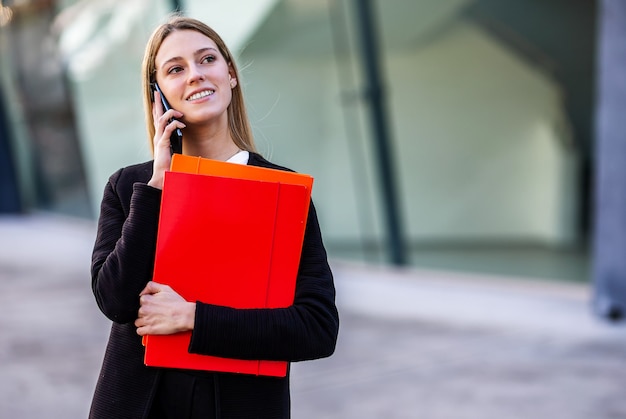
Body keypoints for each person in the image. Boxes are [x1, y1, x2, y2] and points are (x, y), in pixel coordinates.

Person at [89, 15, 339, 419]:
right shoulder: (131, 187)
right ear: (159, 93)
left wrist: (191, 317)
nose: (195, 75)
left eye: (207, 59)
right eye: (175, 69)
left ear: (230, 73)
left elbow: (317, 328)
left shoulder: (283, 192)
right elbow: (115, 300)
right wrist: (157, 186)